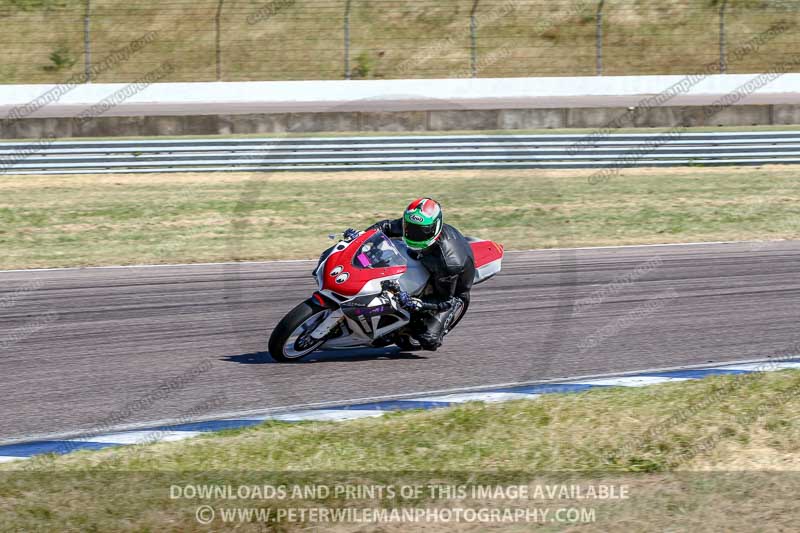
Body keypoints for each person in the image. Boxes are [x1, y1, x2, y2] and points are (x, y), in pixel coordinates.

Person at [344, 198, 475, 351]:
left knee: (429, 340)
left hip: (450, 290)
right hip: (421, 261)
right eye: (410, 228)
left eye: (422, 230)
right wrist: (361, 237)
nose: (414, 234)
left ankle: (408, 326)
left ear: (434, 227)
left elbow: (444, 299)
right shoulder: (413, 224)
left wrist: (418, 303)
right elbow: (386, 226)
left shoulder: (448, 262)